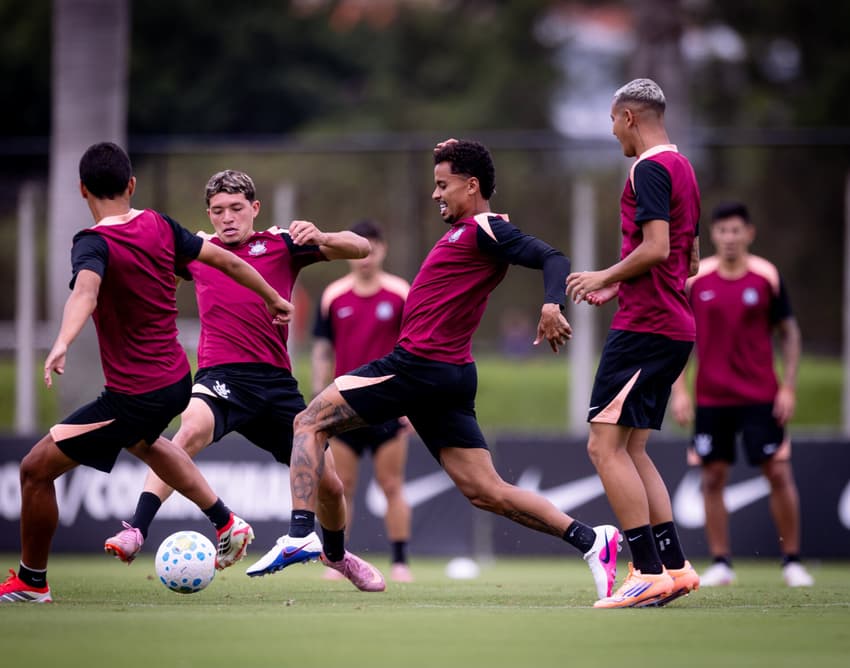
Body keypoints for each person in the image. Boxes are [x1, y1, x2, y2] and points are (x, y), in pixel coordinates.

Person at [246, 138, 624, 603]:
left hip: (418, 365)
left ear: (472, 186)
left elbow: (554, 258)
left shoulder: (486, 226)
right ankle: (592, 540)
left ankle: (303, 535)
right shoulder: (467, 228)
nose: (435, 194)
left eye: (443, 185)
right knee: (486, 491)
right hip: (447, 372)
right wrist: (452, 147)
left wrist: (551, 303)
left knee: (307, 421)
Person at [0, 143, 292, 604]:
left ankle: (31, 582)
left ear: (82, 190)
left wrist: (62, 340)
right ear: (131, 185)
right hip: (177, 377)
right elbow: (227, 261)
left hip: (134, 393)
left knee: (35, 470)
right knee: (145, 442)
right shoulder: (158, 224)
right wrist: (273, 296)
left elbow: (86, 292)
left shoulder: (92, 242)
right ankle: (226, 521)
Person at [102, 170, 387, 592]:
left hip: (276, 384)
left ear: (255, 208)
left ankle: (337, 555)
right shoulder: (199, 251)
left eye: (236, 208)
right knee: (188, 431)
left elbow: (360, 246)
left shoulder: (282, 244)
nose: (227, 218)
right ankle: (136, 529)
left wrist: (320, 233)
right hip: (222, 375)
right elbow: (144, 263)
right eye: (218, 211)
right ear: (208, 214)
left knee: (329, 483)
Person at [565, 78, 701, 608]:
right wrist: (625, 284)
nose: (614, 134)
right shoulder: (684, 167)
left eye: (613, 123)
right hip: (671, 325)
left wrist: (603, 276)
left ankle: (644, 571)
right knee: (632, 447)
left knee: (603, 445)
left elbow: (658, 247)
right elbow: (687, 259)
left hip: (646, 329)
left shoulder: (647, 168)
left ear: (628, 118)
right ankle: (674, 564)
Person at [670, 201, 813, 588]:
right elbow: (679, 337)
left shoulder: (766, 276)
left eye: (737, 231)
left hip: (761, 396)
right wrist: (679, 390)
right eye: (722, 231)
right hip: (712, 398)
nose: (730, 238)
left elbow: (790, 333)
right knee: (712, 477)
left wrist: (788, 386)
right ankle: (721, 562)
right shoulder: (697, 280)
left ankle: (792, 561)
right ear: (713, 236)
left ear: (749, 233)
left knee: (778, 472)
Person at [311, 219, 414, 583]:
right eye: (360, 249)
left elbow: (415, 349)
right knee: (342, 488)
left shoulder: (400, 293)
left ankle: (400, 562)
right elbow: (322, 350)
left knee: (392, 485)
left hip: (390, 405)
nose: (365, 257)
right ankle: (339, 560)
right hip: (344, 406)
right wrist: (318, 395)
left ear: (382, 250)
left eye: (373, 247)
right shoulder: (333, 296)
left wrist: (412, 403)